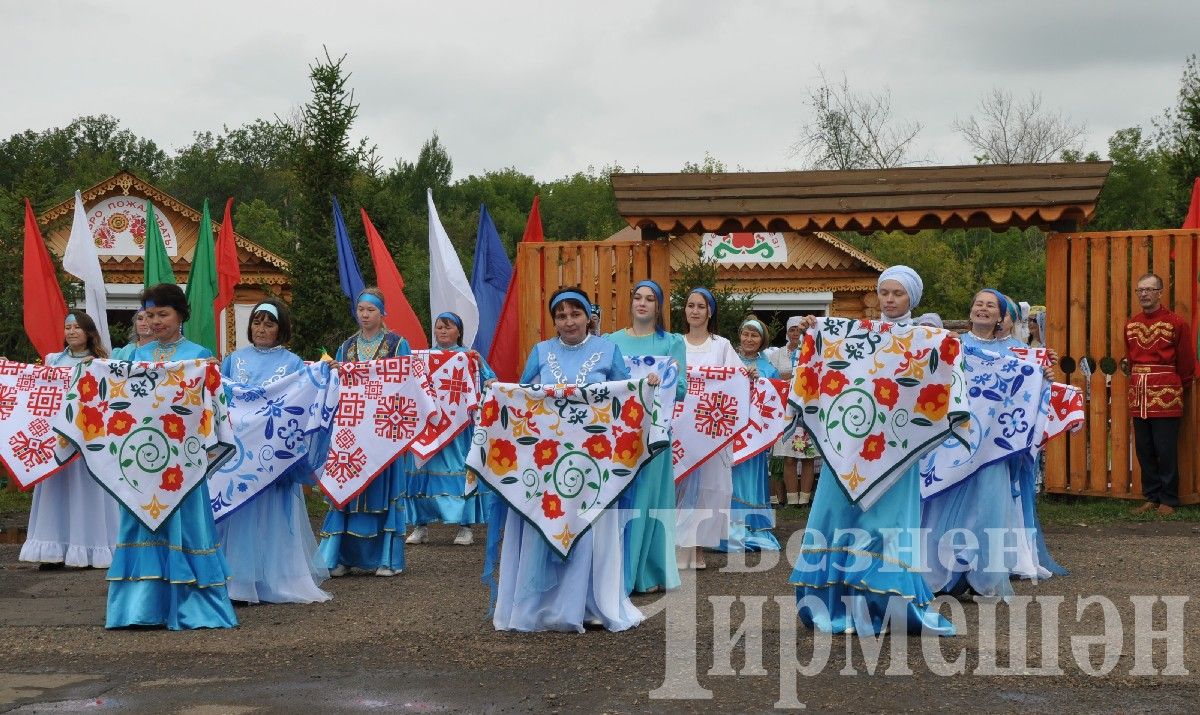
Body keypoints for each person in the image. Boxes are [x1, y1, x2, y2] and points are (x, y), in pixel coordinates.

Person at [792, 266, 955, 635]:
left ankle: (883, 604)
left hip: (897, 449)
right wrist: (813, 332)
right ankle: (832, 603)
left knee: (886, 525)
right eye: (885, 293)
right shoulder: (853, 336)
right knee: (837, 516)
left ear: (912, 298)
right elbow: (829, 364)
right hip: (847, 446)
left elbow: (936, 385)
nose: (890, 300)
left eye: (898, 294)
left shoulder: (924, 338)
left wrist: (946, 346)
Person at [489, 287, 647, 632]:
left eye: (575, 314)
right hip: (546, 465)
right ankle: (540, 605)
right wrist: (494, 393)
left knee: (588, 529)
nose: (569, 321)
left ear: (589, 316)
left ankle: (590, 604)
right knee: (547, 527)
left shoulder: (608, 351)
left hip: (594, 466)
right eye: (561, 315)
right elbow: (522, 397)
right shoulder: (542, 352)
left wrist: (645, 387)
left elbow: (626, 402)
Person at [106, 283, 237, 629]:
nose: (155, 321)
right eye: (149, 315)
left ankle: (192, 606)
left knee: (185, 524)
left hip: (183, 460)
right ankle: (139, 608)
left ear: (181, 314)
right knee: (141, 522)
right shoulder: (137, 357)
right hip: (139, 459)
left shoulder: (199, 355)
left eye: (163, 314)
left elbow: (210, 408)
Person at [217, 299, 331, 604]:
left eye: (269, 323)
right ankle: (238, 582)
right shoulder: (232, 360)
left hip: (271, 454)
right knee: (239, 515)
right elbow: (221, 399)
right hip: (238, 457)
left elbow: (299, 402)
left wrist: (324, 373)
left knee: (269, 518)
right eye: (257, 322)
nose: (261, 329)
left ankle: (271, 580)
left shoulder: (293, 363)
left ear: (281, 329)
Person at [921, 289, 1024, 600]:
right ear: (971, 310)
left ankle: (983, 576)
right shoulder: (952, 345)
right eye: (978, 303)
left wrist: (1043, 374)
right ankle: (941, 575)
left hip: (994, 446)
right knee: (943, 504)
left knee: (987, 508)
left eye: (990, 305)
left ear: (1000, 315)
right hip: (955, 439)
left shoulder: (1017, 351)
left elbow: (1028, 391)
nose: (983, 309)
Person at [317, 288, 412, 577]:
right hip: (352, 429)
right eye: (361, 309)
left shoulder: (397, 344)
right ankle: (342, 556)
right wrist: (333, 370)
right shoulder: (345, 347)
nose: (365, 314)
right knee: (346, 486)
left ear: (382, 313)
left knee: (380, 488)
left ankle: (385, 559)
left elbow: (408, 381)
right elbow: (335, 387)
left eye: (371, 309)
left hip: (384, 429)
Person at [19, 311, 121, 569]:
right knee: (57, 492)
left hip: (88, 437)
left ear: (88, 332)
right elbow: (35, 386)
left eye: (77, 327)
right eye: (68, 327)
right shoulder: (53, 360)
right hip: (58, 436)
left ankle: (89, 550)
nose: (72, 331)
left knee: (87, 492)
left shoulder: (102, 362)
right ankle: (52, 552)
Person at [607, 280, 683, 594]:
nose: (642, 303)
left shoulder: (671, 342)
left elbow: (680, 388)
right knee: (621, 498)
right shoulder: (610, 341)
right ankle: (615, 574)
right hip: (619, 435)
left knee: (648, 501)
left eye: (649, 299)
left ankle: (647, 572)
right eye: (637, 297)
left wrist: (659, 382)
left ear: (658, 306)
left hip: (654, 434)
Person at [406, 311, 497, 546]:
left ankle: (465, 526)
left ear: (459, 331)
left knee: (458, 471)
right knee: (421, 471)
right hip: (429, 425)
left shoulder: (469, 357)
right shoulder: (422, 358)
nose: (443, 331)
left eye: (448, 327)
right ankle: (420, 525)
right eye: (439, 327)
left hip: (458, 428)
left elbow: (489, 379)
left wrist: (487, 379)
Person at [675, 287, 741, 570]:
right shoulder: (675, 342)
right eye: (690, 305)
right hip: (679, 426)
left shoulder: (721, 345)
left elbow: (736, 379)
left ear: (710, 311)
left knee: (706, 489)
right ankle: (675, 547)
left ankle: (698, 547)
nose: (695, 311)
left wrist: (747, 374)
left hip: (710, 427)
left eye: (701, 306)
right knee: (678, 485)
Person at [1124, 273, 1195, 516]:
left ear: (1160, 293)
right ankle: (1151, 496)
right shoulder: (1131, 324)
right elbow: (1132, 360)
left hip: (1166, 394)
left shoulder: (1177, 323)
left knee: (1165, 448)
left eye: (1149, 289)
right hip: (1139, 394)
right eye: (1140, 290)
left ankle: (1169, 499)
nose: (1143, 294)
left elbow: (1186, 363)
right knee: (1144, 447)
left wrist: (1176, 386)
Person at [716, 317, 781, 552]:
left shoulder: (769, 369)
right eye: (745, 334)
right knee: (727, 478)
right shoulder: (727, 361)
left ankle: (749, 528)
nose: (749, 339)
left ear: (762, 341)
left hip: (754, 437)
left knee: (748, 479)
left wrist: (760, 381)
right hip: (729, 432)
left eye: (754, 335)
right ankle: (724, 527)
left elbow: (774, 402)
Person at [769, 315, 817, 507]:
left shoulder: (811, 350)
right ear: (787, 332)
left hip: (806, 408)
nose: (796, 333)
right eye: (792, 330)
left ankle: (804, 501)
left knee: (808, 456)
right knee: (788, 457)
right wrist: (796, 374)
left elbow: (815, 372)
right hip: (785, 408)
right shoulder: (777, 354)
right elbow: (773, 377)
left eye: (799, 330)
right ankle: (791, 500)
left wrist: (792, 375)